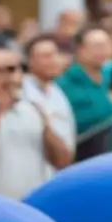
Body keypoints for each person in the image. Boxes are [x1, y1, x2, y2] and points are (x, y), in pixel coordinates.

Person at [0, 48, 72, 199]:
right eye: (1, 70)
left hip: (32, 204)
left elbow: (62, 161)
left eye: (14, 69)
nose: (9, 76)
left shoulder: (34, 109)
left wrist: (46, 127)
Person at [57, 26, 112, 161]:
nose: (103, 51)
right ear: (80, 49)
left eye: (106, 45)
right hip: (85, 158)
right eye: (97, 46)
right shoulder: (64, 83)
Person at [21, 35, 76, 178]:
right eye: (46, 56)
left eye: (55, 55)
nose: (53, 60)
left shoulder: (58, 93)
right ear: (30, 61)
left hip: (54, 175)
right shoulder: (20, 92)